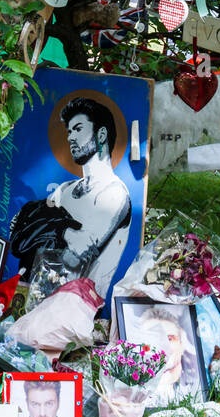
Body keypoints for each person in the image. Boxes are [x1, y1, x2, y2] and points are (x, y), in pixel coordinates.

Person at [9, 97, 131, 299]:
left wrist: (49, 223)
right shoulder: (66, 189)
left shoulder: (114, 193)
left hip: (76, 308)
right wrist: (61, 228)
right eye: (69, 131)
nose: (70, 138)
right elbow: (18, 227)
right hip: (35, 295)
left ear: (101, 135)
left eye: (78, 129)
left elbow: (74, 257)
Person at [133, 305, 200, 405]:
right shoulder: (134, 394)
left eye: (170, 339)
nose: (163, 347)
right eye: (152, 339)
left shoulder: (198, 388)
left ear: (181, 344)